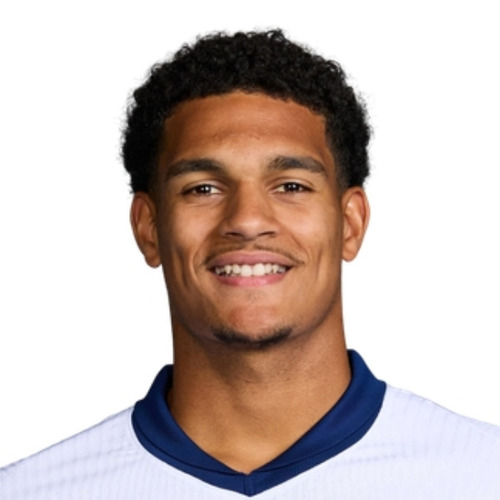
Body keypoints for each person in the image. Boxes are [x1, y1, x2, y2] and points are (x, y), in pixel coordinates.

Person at [1, 29, 499, 499]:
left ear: (350, 223)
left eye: (291, 186)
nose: (247, 220)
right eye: (203, 189)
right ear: (149, 228)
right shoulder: (31, 491)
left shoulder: (481, 473)